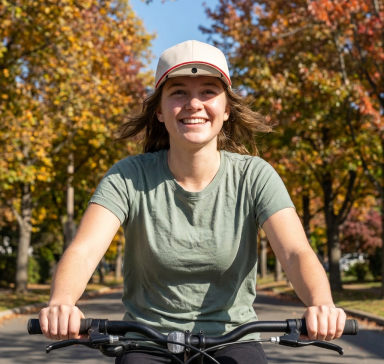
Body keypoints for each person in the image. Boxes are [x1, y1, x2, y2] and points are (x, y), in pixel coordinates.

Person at [39, 40, 346, 364]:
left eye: (209, 92)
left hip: (232, 338)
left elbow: (295, 252)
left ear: (227, 109)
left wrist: (321, 302)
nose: (194, 104)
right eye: (179, 92)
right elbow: (84, 251)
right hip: (147, 342)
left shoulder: (255, 176)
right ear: (159, 110)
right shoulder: (128, 177)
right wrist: (63, 300)